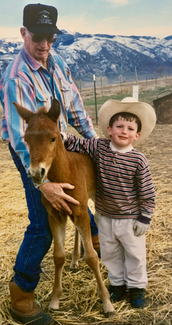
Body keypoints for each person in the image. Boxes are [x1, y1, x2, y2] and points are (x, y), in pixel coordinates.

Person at [0, 3, 99, 325]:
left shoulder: (57, 61)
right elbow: (20, 137)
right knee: (43, 223)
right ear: (23, 33)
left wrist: (98, 145)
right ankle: (22, 294)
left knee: (79, 196)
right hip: (32, 149)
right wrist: (44, 184)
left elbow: (76, 109)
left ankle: (94, 246)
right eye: (37, 37)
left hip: (62, 144)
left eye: (50, 38)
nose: (44, 46)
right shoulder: (17, 78)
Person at [62, 97, 156, 309]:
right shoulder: (100, 147)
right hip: (104, 216)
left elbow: (147, 191)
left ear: (137, 135)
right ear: (109, 129)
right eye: (119, 126)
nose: (124, 131)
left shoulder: (138, 160)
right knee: (110, 252)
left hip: (130, 218)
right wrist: (62, 136)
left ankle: (136, 288)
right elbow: (80, 144)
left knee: (134, 253)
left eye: (130, 128)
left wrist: (145, 216)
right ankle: (117, 285)